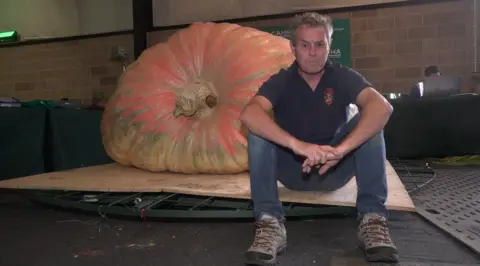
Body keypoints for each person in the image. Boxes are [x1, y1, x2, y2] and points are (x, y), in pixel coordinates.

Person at [240, 12, 398, 265]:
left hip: (334, 168)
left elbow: (383, 108)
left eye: (319, 44)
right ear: (293, 48)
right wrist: (299, 146)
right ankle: (269, 223)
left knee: (371, 122)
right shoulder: (281, 80)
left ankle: (372, 219)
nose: (312, 52)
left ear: (329, 46)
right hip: (292, 171)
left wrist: (341, 151)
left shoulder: (343, 76)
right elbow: (249, 113)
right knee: (258, 129)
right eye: (305, 45)